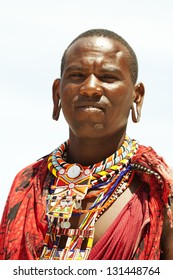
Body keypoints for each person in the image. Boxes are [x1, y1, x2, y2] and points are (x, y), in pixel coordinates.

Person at [0, 29, 173, 260]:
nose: (90, 87)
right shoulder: (27, 182)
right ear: (57, 93)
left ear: (137, 95)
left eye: (108, 77)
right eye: (77, 75)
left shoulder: (158, 189)